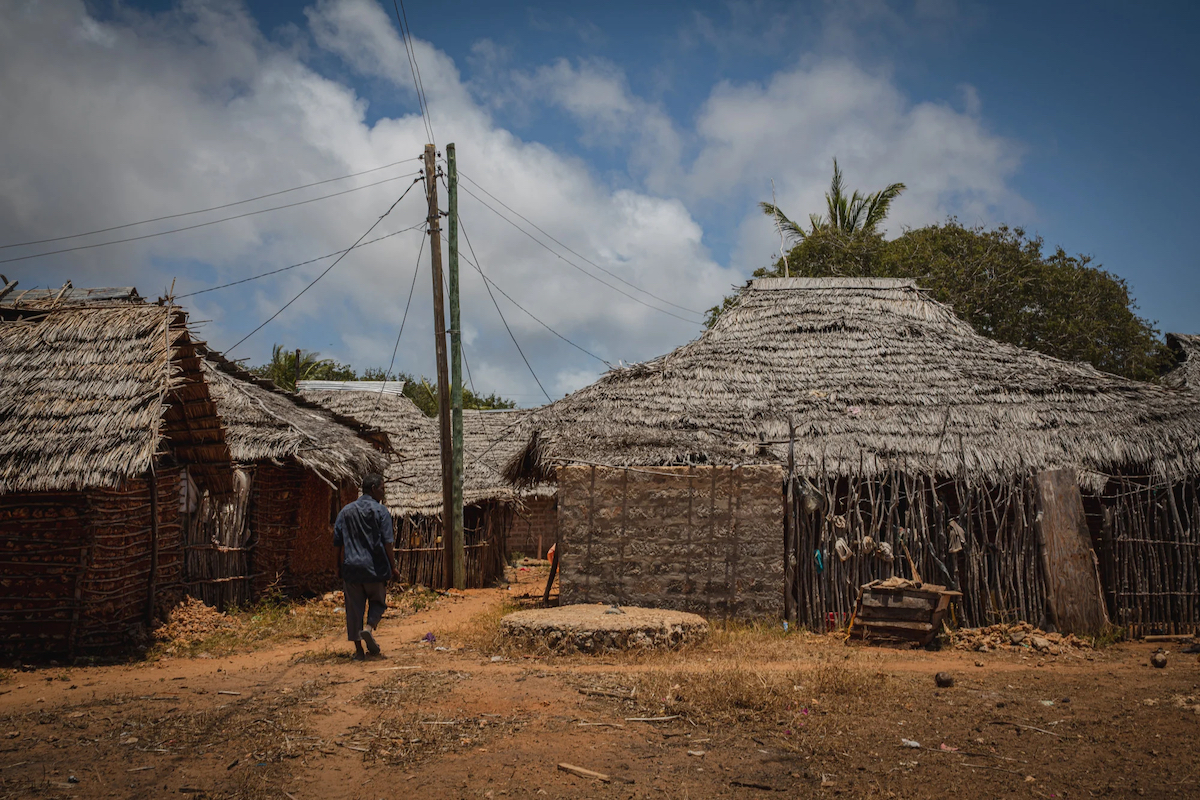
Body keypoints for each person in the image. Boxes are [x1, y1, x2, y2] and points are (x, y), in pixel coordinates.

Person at [333, 473, 400, 661]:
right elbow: (387, 542)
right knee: (378, 602)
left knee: (354, 610)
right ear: (373, 489)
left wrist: (337, 567)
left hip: (351, 569)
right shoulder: (381, 512)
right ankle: (369, 629)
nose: (383, 493)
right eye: (382, 489)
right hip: (375, 569)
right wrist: (393, 567)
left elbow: (337, 543)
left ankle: (359, 652)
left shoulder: (345, 511)